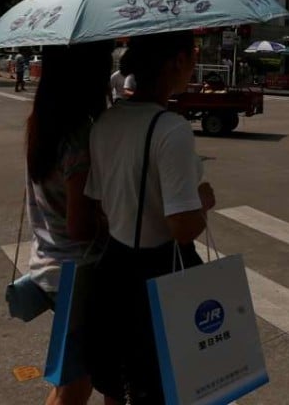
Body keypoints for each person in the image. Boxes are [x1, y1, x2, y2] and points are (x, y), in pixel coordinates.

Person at [84, 31, 216, 404]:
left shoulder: (106, 122)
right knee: (162, 388)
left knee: (118, 387)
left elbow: (100, 205)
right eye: (193, 54)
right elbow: (184, 228)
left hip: (113, 270)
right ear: (176, 61)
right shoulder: (170, 129)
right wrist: (202, 200)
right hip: (158, 275)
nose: (194, 62)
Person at [24, 41, 112, 405]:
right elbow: (80, 226)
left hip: (49, 263)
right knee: (76, 387)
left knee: (69, 381)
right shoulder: (79, 137)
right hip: (77, 274)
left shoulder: (41, 124)